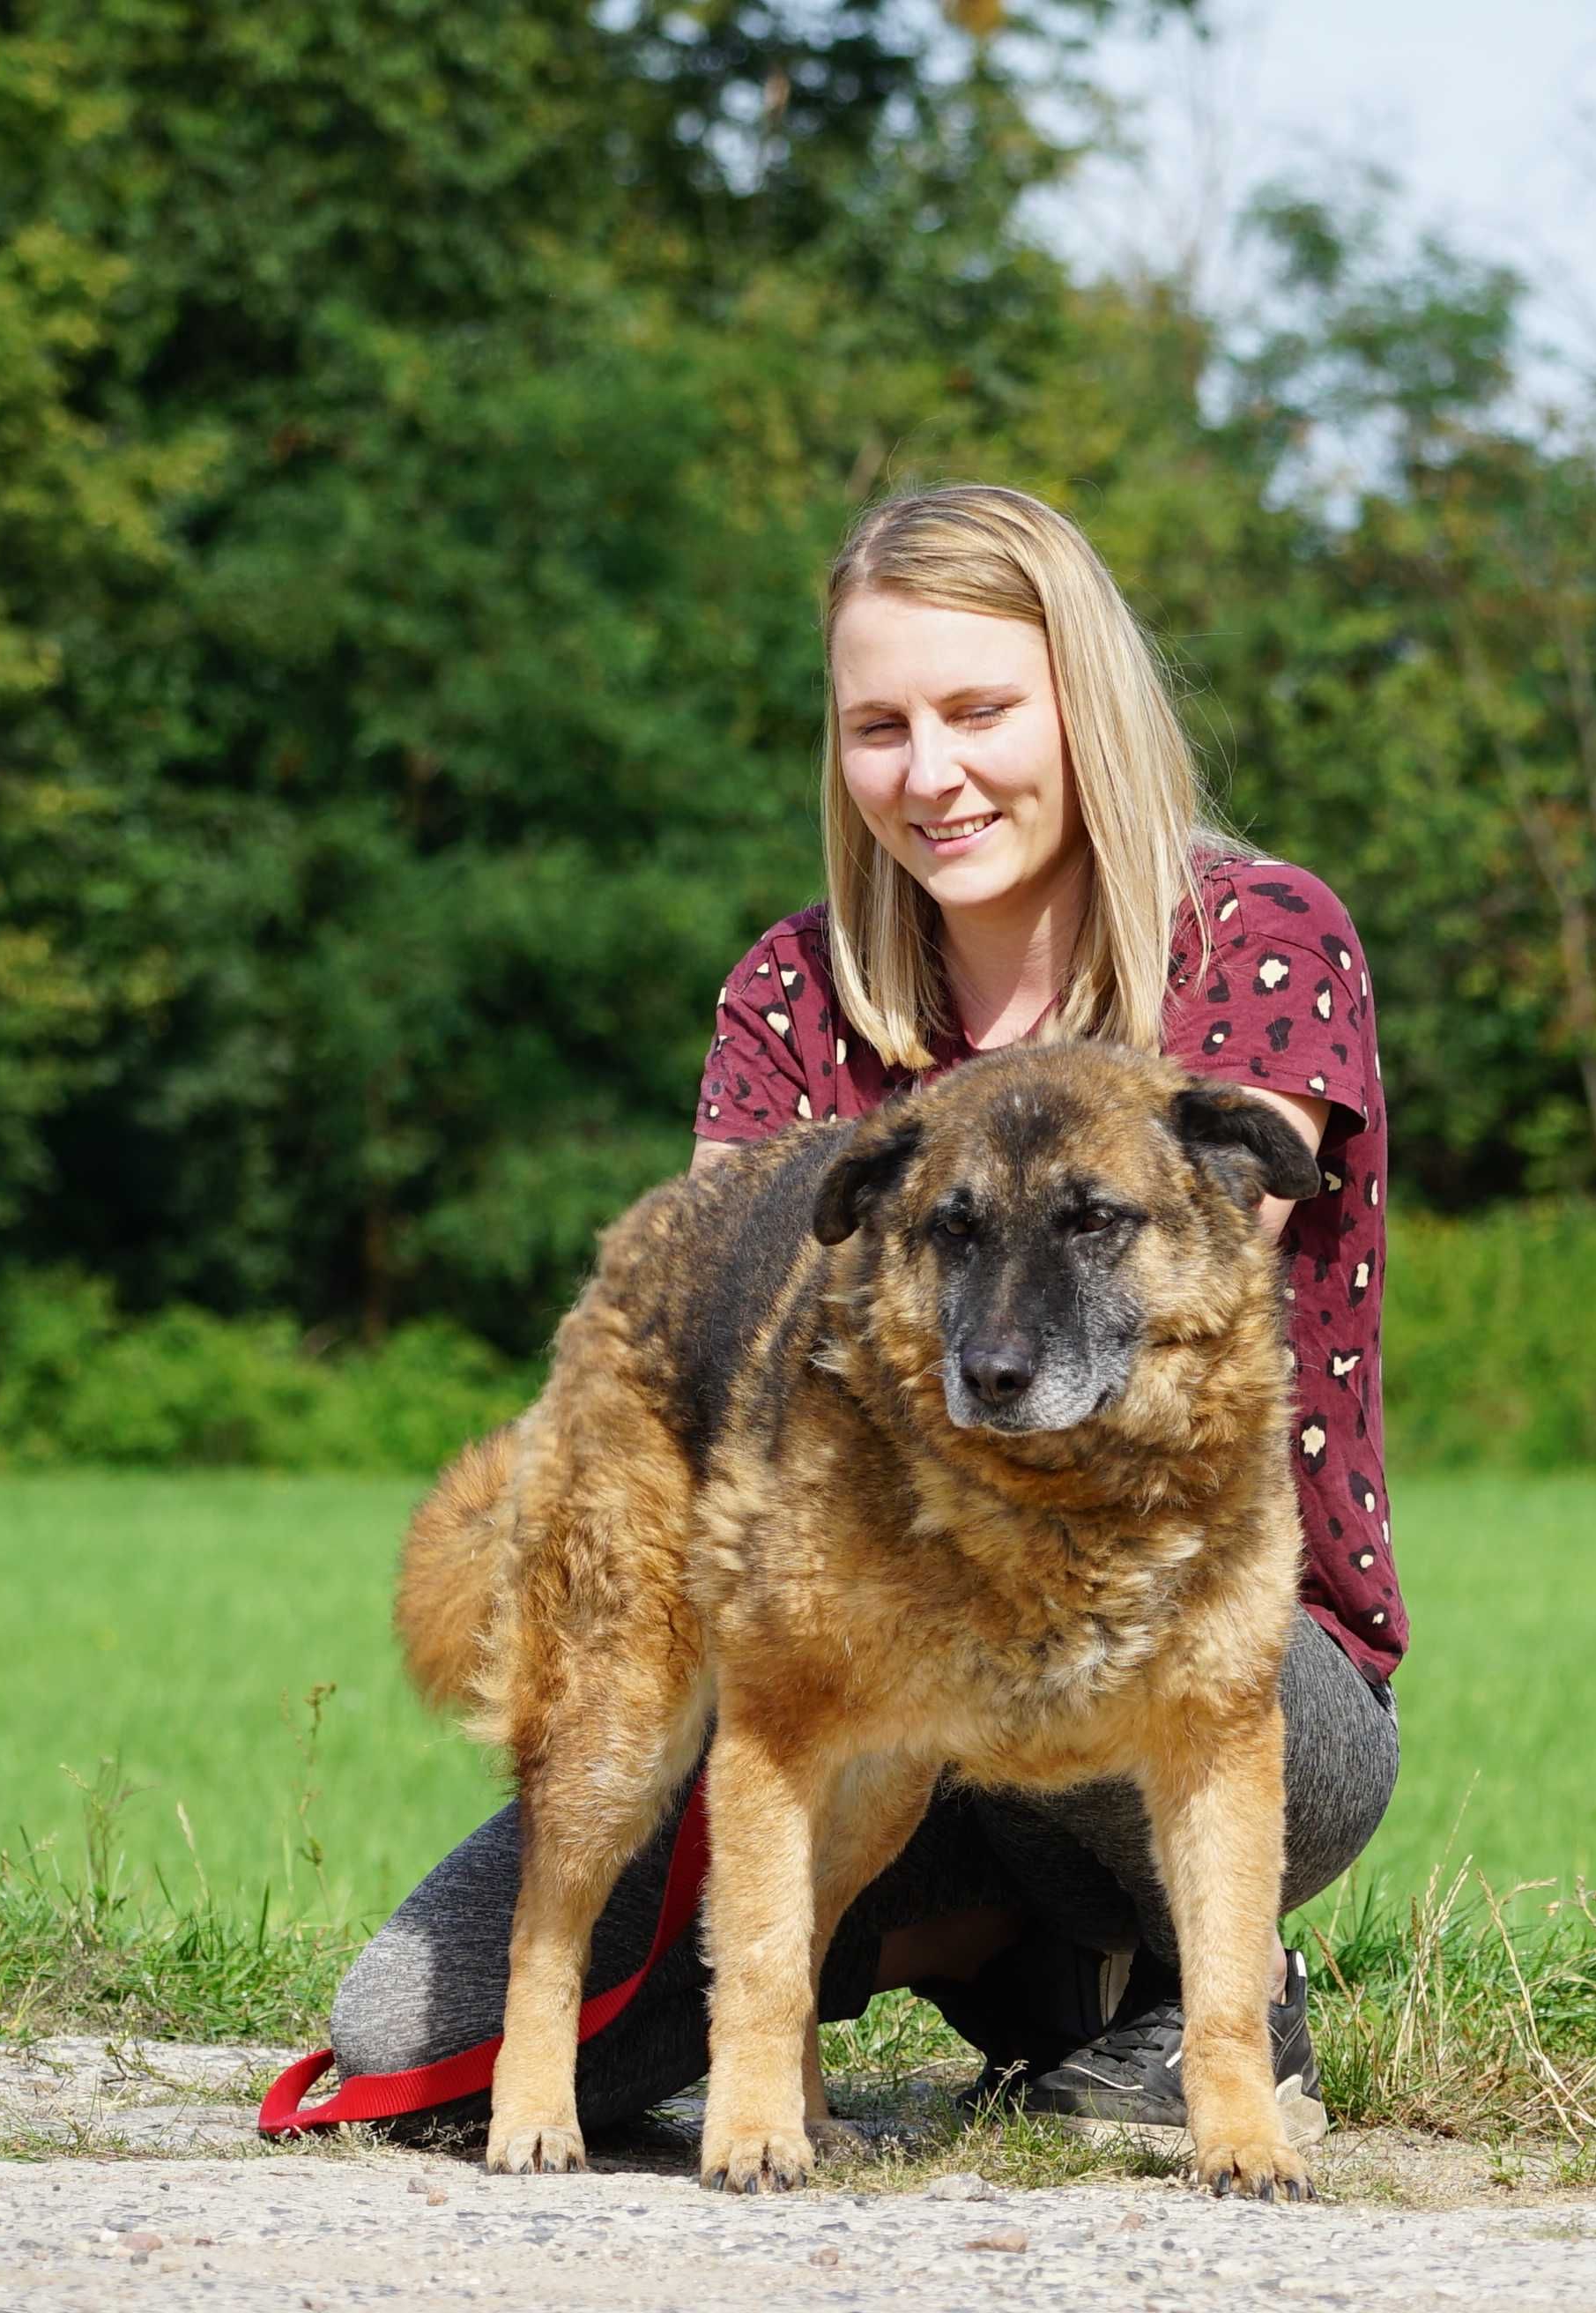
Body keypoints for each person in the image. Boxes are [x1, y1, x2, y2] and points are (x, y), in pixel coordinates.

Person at [330, 483, 1406, 2141]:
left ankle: (1184, 1982)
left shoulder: (1259, 940)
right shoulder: (790, 989)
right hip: (862, 1642)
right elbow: (722, 1317)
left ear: (1084, 704)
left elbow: (1158, 1340)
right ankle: (981, 1956)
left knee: (1131, 1660)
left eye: (981, 710)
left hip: (1189, 1643)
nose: (933, 771)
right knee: (405, 2040)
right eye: (880, 726)